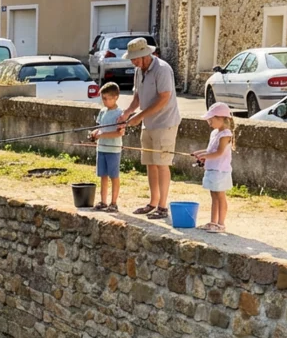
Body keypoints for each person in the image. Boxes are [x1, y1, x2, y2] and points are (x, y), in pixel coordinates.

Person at [117, 38, 182, 220]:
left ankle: (162, 207)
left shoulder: (162, 69)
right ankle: (153, 202)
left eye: (136, 58)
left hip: (165, 123)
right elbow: (137, 96)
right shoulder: (139, 70)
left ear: (146, 55)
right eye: (132, 59)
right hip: (149, 123)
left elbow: (164, 98)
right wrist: (128, 113)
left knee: (162, 164)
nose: (133, 62)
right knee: (150, 163)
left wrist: (139, 117)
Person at [192, 102, 235, 233]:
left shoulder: (226, 134)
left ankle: (221, 224)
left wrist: (204, 156)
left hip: (220, 170)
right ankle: (213, 222)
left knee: (220, 196)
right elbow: (211, 150)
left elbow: (219, 152)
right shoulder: (214, 133)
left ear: (221, 118)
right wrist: (200, 154)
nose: (209, 122)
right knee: (213, 196)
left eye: (211, 119)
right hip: (211, 169)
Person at [90, 82, 124, 212]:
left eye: (107, 98)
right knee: (103, 175)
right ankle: (103, 201)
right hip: (101, 148)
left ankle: (113, 203)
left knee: (114, 176)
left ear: (115, 97)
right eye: (103, 98)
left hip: (113, 150)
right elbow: (99, 128)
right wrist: (95, 133)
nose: (104, 101)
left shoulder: (120, 113)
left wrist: (103, 135)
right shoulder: (102, 111)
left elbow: (119, 132)